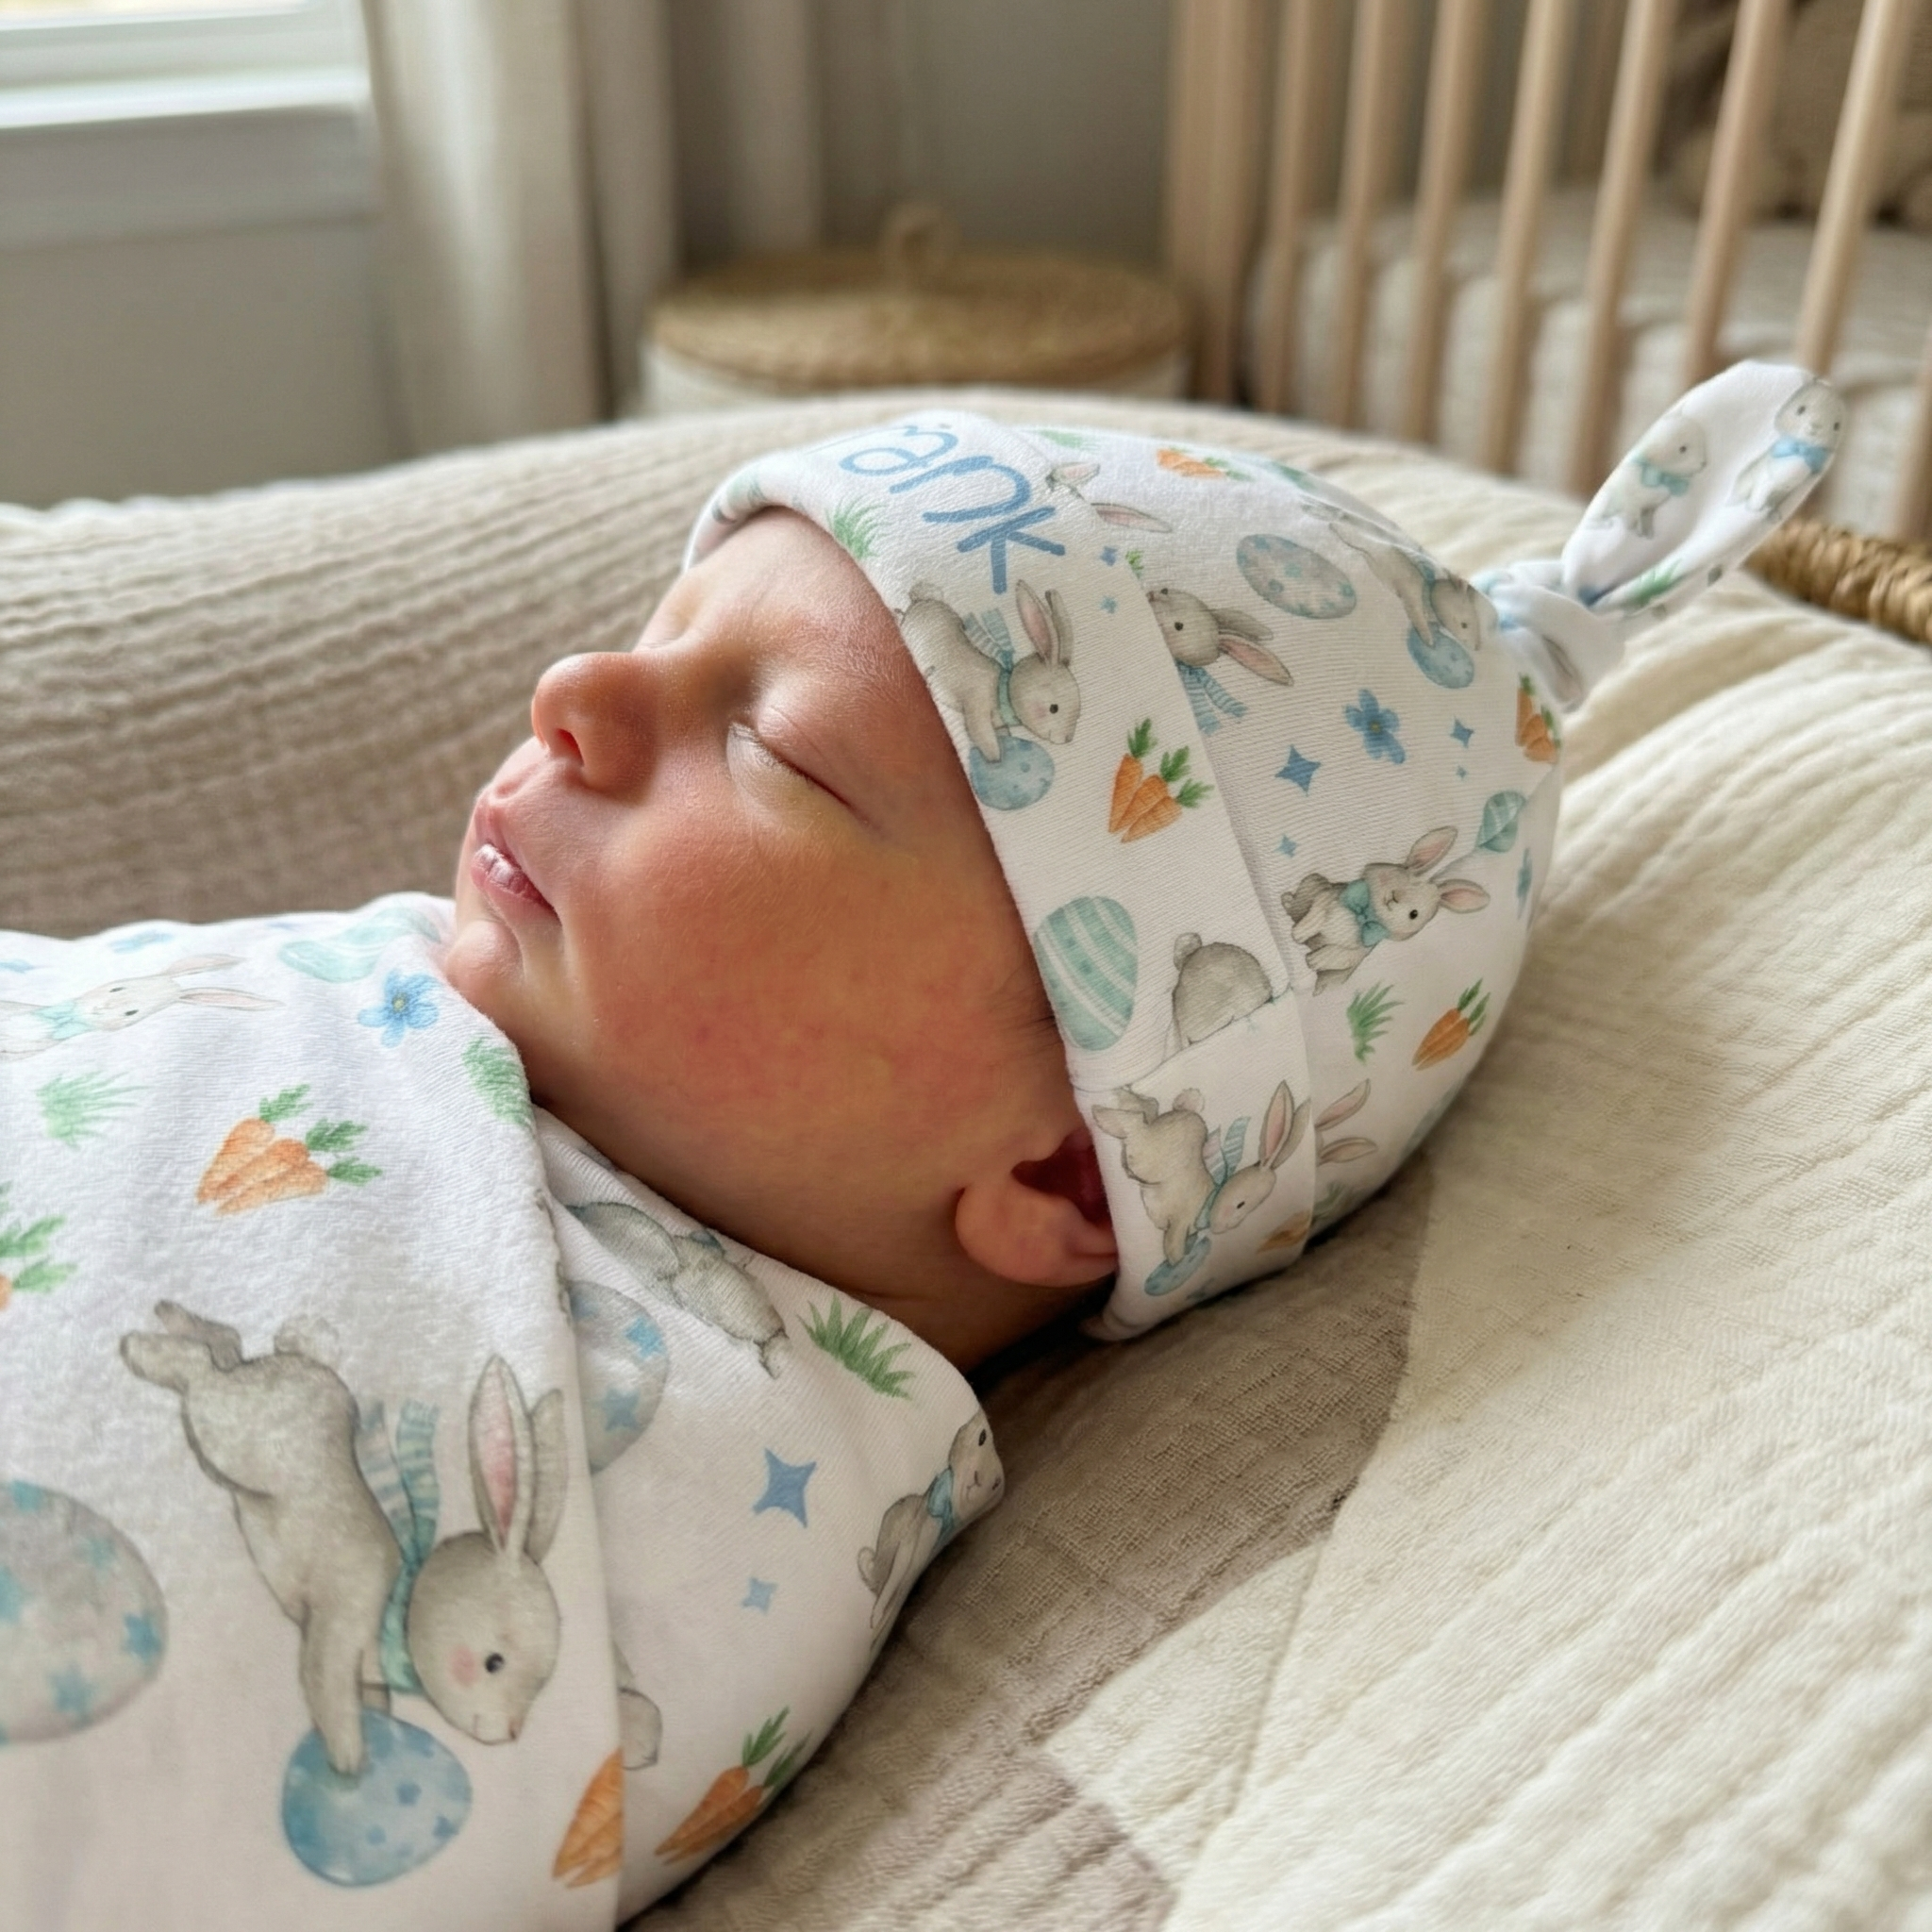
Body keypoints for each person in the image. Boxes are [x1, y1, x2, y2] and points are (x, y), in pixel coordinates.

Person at [0, 361, 1834, 1927]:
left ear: (1058, 1179)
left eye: (775, 752)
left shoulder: (718, 1460)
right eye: (656, 634)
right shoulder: (426, 983)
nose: (576, 687)